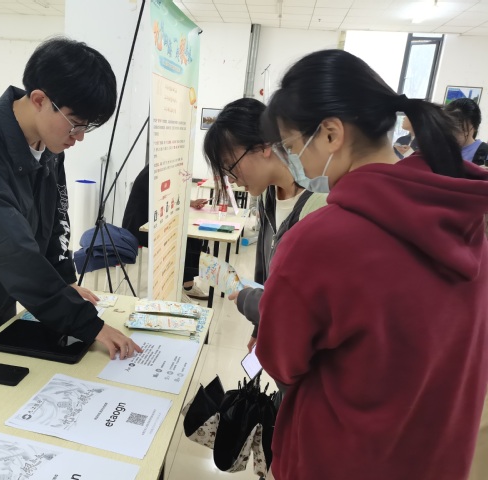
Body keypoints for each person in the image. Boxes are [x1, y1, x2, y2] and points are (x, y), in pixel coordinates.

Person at [253, 49, 488, 480]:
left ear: (330, 134)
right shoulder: (467, 218)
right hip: (437, 458)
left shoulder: (319, 242)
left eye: (292, 147)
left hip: (340, 458)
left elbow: (280, 360)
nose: (294, 163)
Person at [0, 37, 142, 370]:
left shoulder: (49, 143)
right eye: (75, 123)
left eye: (87, 127)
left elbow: (55, 218)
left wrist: (65, 281)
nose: (79, 136)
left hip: (4, 287)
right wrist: (89, 325)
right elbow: (11, 248)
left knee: (8, 384)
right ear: (39, 100)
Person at [202, 97, 327, 353]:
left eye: (230, 166)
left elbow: (313, 308)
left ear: (263, 147)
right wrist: (260, 326)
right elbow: (265, 270)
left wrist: (253, 304)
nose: (232, 180)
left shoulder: (319, 205)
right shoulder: (268, 195)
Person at [122, 163, 209, 301]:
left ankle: (187, 285)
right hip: (139, 227)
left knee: (193, 237)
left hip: (153, 223)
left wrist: (191, 202)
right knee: (181, 239)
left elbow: (171, 198)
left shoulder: (161, 170)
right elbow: (164, 200)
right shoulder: (152, 174)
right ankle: (175, 290)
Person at [444, 98, 488, 166]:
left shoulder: (485, 153)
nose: (452, 131)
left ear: (474, 127)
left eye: (459, 125)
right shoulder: (439, 150)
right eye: (449, 125)